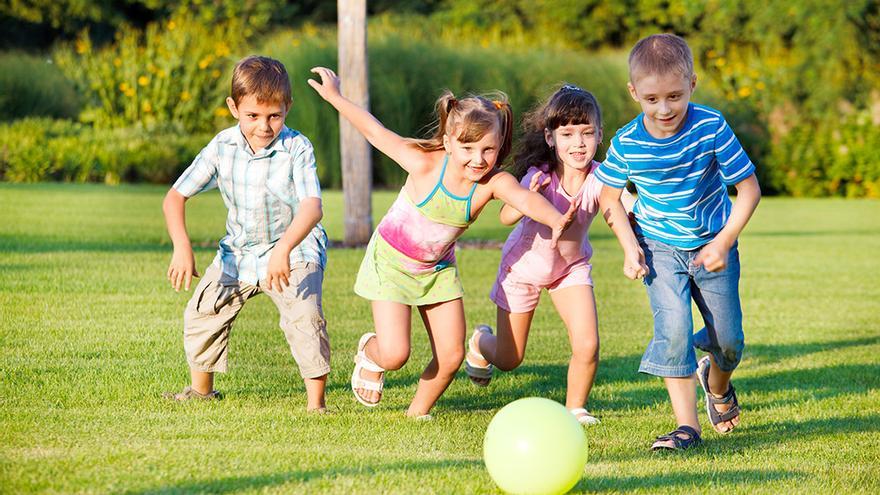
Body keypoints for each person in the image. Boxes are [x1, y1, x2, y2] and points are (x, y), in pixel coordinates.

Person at [308, 66, 577, 419]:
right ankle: (372, 354)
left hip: (436, 271)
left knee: (450, 356)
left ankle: (415, 414)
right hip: (391, 264)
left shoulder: (491, 183)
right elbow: (374, 131)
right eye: (467, 147)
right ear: (449, 142)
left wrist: (556, 219)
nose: (478, 159)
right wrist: (336, 97)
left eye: (488, 149)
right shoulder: (423, 163)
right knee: (395, 353)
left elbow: (524, 198)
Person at [596, 33, 761, 450]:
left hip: (712, 245)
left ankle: (717, 383)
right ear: (634, 92)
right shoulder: (627, 142)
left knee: (729, 341)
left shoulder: (711, 127)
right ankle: (687, 427)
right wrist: (630, 247)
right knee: (672, 330)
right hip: (660, 248)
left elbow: (749, 189)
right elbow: (608, 196)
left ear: (692, 84)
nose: (664, 108)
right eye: (651, 99)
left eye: (674, 95)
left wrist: (723, 243)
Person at [162, 56, 330, 413]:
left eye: (274, 116)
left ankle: (317, 406)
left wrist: (284, 248)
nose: (264, 126)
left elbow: (312, 208)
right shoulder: (222, 147)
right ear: (234, 107)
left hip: (294, 249)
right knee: (204, 311)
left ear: (288, 108)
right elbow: (175, 197)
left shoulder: (297, 148)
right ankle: (201, 392)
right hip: (238, 253)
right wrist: (182, 246)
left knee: (304, 317)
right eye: (253, 115)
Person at [465, 84, 633, 426]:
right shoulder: (538, 176)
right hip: (522, 269)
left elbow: (622, 206)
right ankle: (480, 342)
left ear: (600, 134)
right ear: (550, 137)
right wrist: (527, 195)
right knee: (510, 358)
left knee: (587, 344)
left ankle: (575, 409)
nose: (579, 143)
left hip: (569, 269)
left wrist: (640, 228)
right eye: (568, 133)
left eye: (587, 133)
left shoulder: (602, 177)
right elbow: (506, 217)